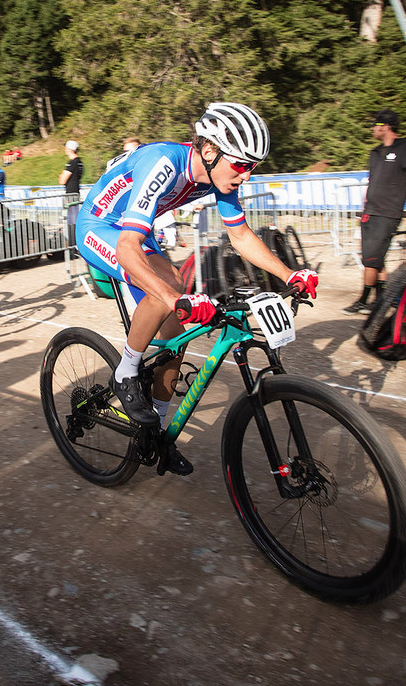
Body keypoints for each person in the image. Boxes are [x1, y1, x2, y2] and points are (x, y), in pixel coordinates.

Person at [77, 102, 318, 476]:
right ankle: (125, 372)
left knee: (175, 337)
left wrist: (290, 275)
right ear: (210, 150)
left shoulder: (217, 174)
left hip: (134, 232)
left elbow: (239, 235)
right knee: (172, 287)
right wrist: (174, 296)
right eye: (242, 164)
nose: (247, 175)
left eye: (253, 167)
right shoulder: (164, 162)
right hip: (100, 225)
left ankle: (154, 432)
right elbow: (126, 248)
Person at [343, 109, 406, 314]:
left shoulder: (405, 149)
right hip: (370, 212)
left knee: (371, 260)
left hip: (387, 213)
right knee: (377, 259)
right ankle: (380, 300)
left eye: (376, 125)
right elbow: (372, 182)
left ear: (385, 126)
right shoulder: (375, 153)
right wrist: (365, 206)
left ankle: (363, 300)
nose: (373, 129)